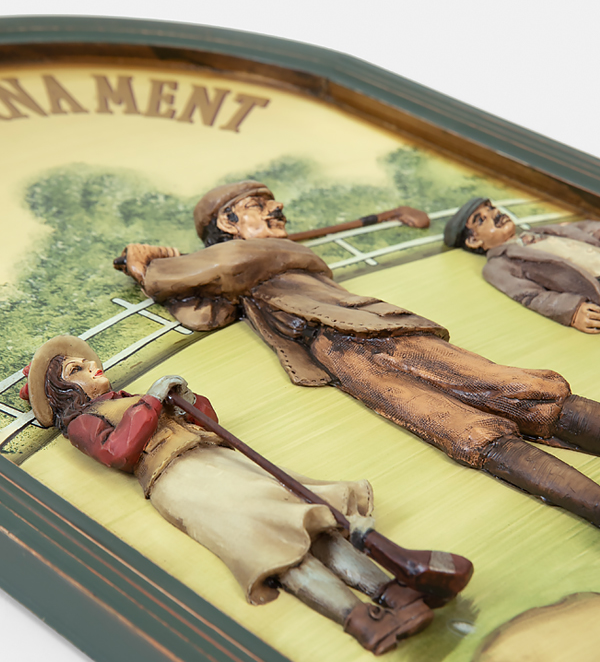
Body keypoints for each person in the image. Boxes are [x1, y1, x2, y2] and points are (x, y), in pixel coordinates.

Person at [114, 181, 600, 527]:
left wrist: (148, 269)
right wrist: (164, 271)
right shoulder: (238, 269)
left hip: (374, 331)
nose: (277, 209)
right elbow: (206, 312)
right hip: (337, 354)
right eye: (258, 206)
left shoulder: (251, 256)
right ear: (228, 221)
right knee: (459, 429)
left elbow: (196, 275)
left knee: (513, 389)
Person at [21, 334, 437, 655]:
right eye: (77, 369)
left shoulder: (127, 400)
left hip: (215, 457)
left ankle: (392, 591)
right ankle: (363, 619)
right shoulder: (83, 422)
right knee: (270, 541)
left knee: (302, 514)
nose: (92, 366)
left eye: (87, 362)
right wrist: (151, 401)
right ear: (64, 391)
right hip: (179, 479)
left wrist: (186, 400)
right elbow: (119, 451)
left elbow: (207, 422)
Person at [444, 197, 600, 333]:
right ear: (473, 240)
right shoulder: (499, 264)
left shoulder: (537, 231)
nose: (495, 213)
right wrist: (571, 309)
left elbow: (584, 229)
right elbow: (530, 295)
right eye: (481, 219)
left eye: (491, 208)